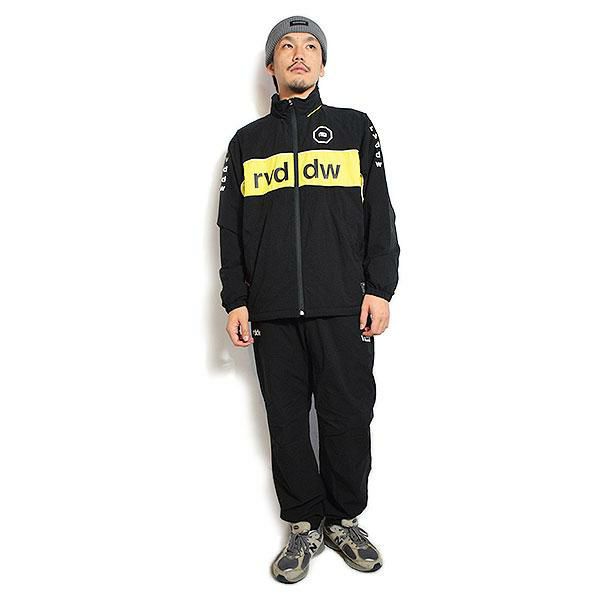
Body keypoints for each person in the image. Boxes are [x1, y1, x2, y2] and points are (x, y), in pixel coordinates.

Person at [216, 15, 400, 583]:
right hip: (271, 310)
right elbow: (230, 227)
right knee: (288, 423)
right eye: (287, 47)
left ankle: (344, 520)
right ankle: (303, 526)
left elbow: (380, 214)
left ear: (323, 63)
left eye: (311, 46)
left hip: (343, 304)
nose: (299, 54)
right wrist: (236, 299)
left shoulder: (354, 128)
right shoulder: (247, 143)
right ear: (270, 65)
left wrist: (380, 288)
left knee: (348, 417)